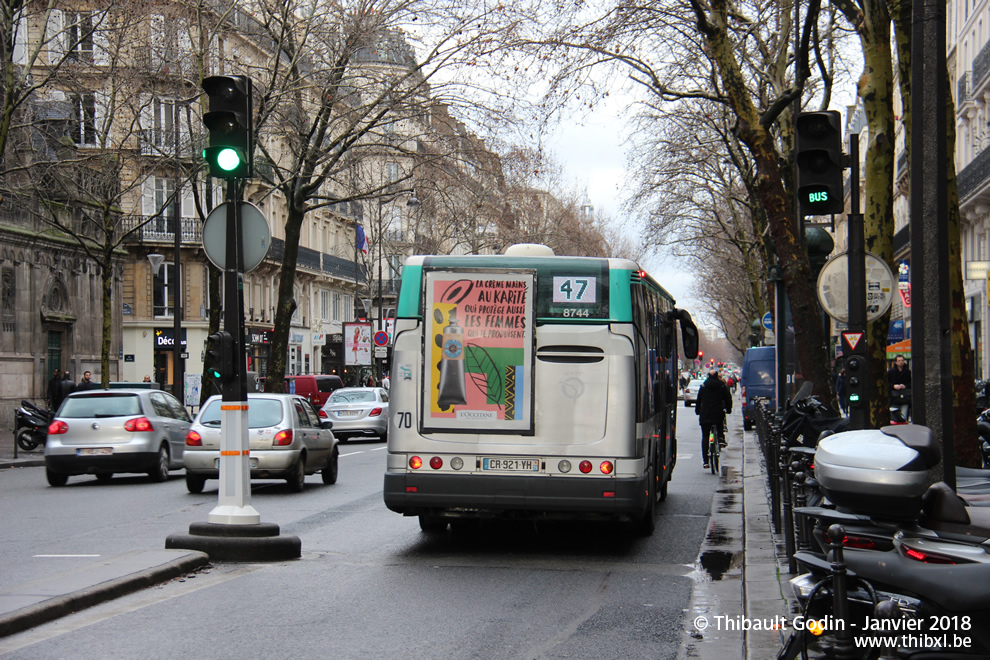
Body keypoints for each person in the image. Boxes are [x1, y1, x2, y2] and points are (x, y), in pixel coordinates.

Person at [696, 369, 733, 468]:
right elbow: (727, 399)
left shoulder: (703, 386)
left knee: (705, 437)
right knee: (719, 424)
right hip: (717, 413)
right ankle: (720, 438)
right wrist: (728, 409)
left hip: (705, 414)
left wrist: (698, 411)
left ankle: (706, 461)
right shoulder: (721, 386)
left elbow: (699, 400)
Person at [888, 355, 912, 420]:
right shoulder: (891, 372)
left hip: (905, 397)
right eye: (899, 361)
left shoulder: (907, 372)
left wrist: (905, 386)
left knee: (903, 415)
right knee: (895, 416)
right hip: (894, 397)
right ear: (896, 362)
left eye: (902, 360)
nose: (901, 362)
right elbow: (887, 383)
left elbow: (911, 383)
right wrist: (893, 386)